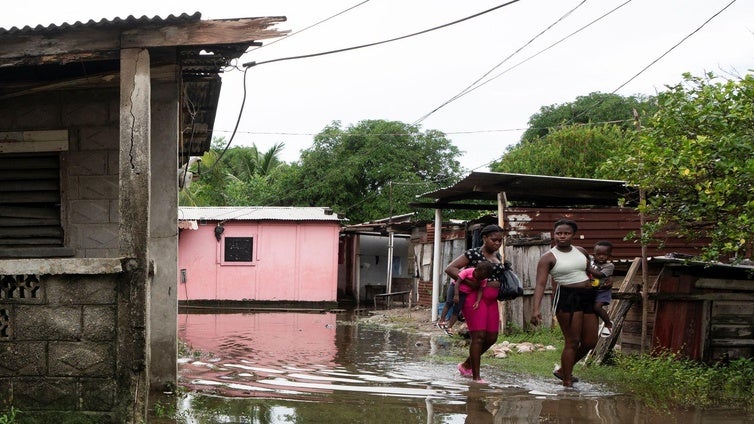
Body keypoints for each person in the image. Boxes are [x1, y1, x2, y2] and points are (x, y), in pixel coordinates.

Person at [530, 219, 612, 387]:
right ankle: (567, 381)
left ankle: (562, 371)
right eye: (559, 233)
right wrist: (535, 309)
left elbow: (591, 272)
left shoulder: (581, 251)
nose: (562, 236)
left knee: (590, 342)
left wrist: (605, 280)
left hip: (588, 296)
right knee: (572, 341)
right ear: (554, 234)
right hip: (567, 297)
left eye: (566, 233)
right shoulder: (548, 258)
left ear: (573, 235)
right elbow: (540, 284)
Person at [445, 224, 506, 383]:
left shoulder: (497, 256)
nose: (497, 243)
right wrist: (471, 284)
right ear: (484, 238)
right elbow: (451, 268)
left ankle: (465, 365)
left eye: (500, 240)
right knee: (478, 337)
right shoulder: (473, 254)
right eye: (494, 240)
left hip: (492, 300)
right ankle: (476, 376)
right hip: (474, 299)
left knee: (492, 338)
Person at [589, 241, 615, 337]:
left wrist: (587, 268)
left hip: (602, 291)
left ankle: (608, 323)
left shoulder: (609, 266)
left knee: (597, 307)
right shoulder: (590, 261)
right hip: (591, 290)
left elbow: (599, 274)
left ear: (609, 255)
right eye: (598, 254)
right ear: (594, 254)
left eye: (604, 254)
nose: (601, 256)